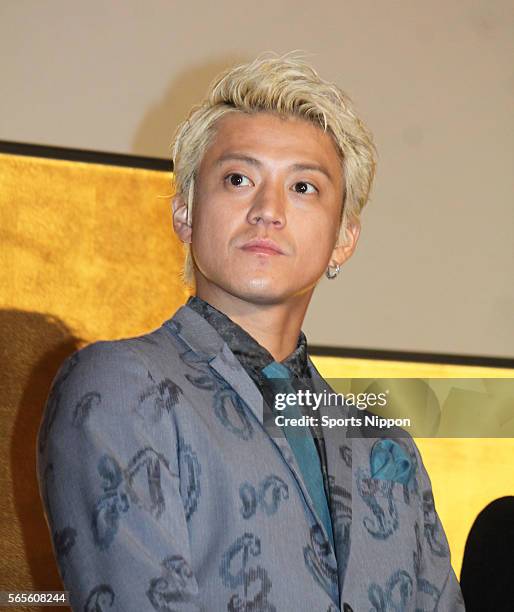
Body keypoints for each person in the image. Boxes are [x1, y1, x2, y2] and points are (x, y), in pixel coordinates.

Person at [37, 53, 465, 611]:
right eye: (238, 178)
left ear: (344, 239)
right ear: (185, 214)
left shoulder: (384, 447)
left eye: (304, 188)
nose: (268, 210)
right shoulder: (121, 386)